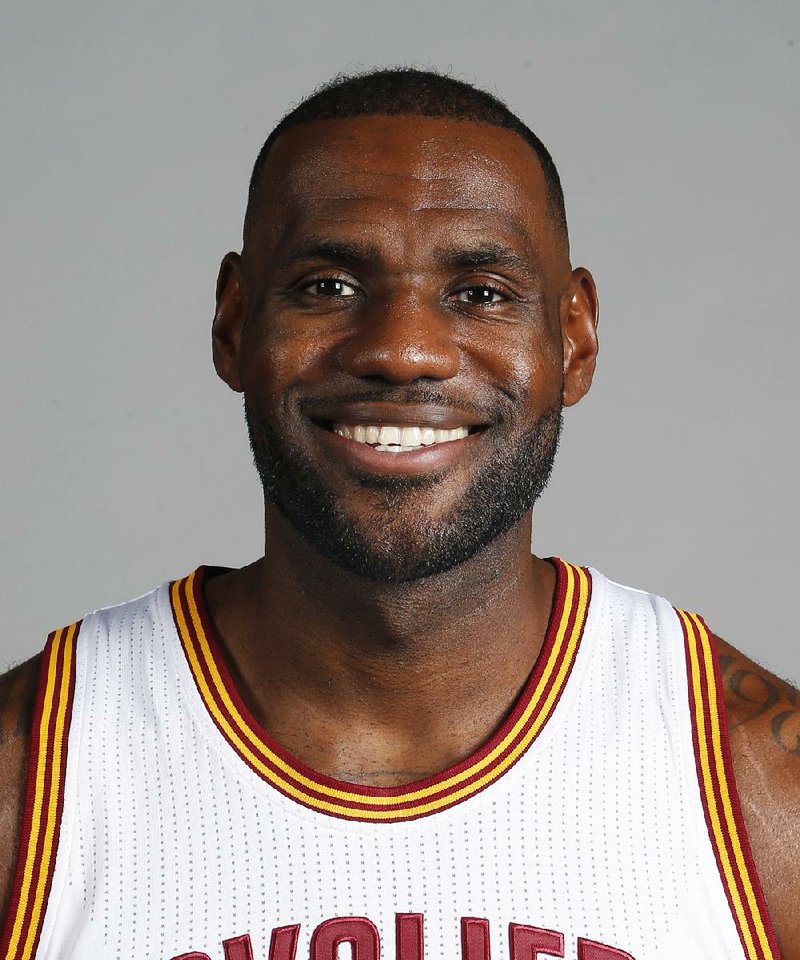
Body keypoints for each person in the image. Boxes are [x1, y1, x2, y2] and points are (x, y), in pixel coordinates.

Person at [0, 68, 797, 960]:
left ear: (574, 338)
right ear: (232, 323)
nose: (402, 349)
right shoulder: (28, 783)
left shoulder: (764, 797)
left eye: (482, 293)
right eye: (328, 286)